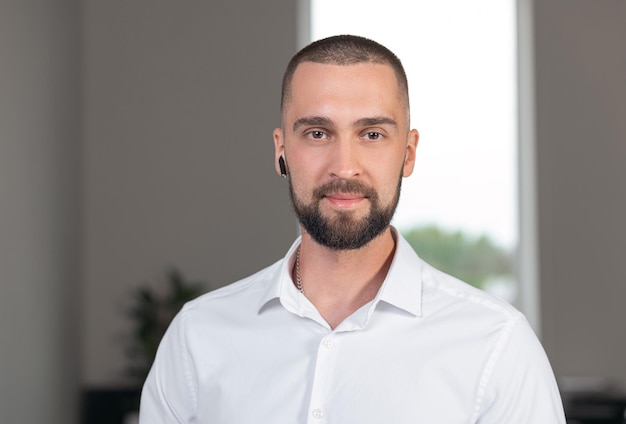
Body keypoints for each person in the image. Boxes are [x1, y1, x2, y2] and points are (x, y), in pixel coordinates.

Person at [139, 35, 566, 423]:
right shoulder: (197, 337)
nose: (344, 166)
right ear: (281, 150)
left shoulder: (496, 346)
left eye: (373, 134)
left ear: (409, 153)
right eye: (318, 133)